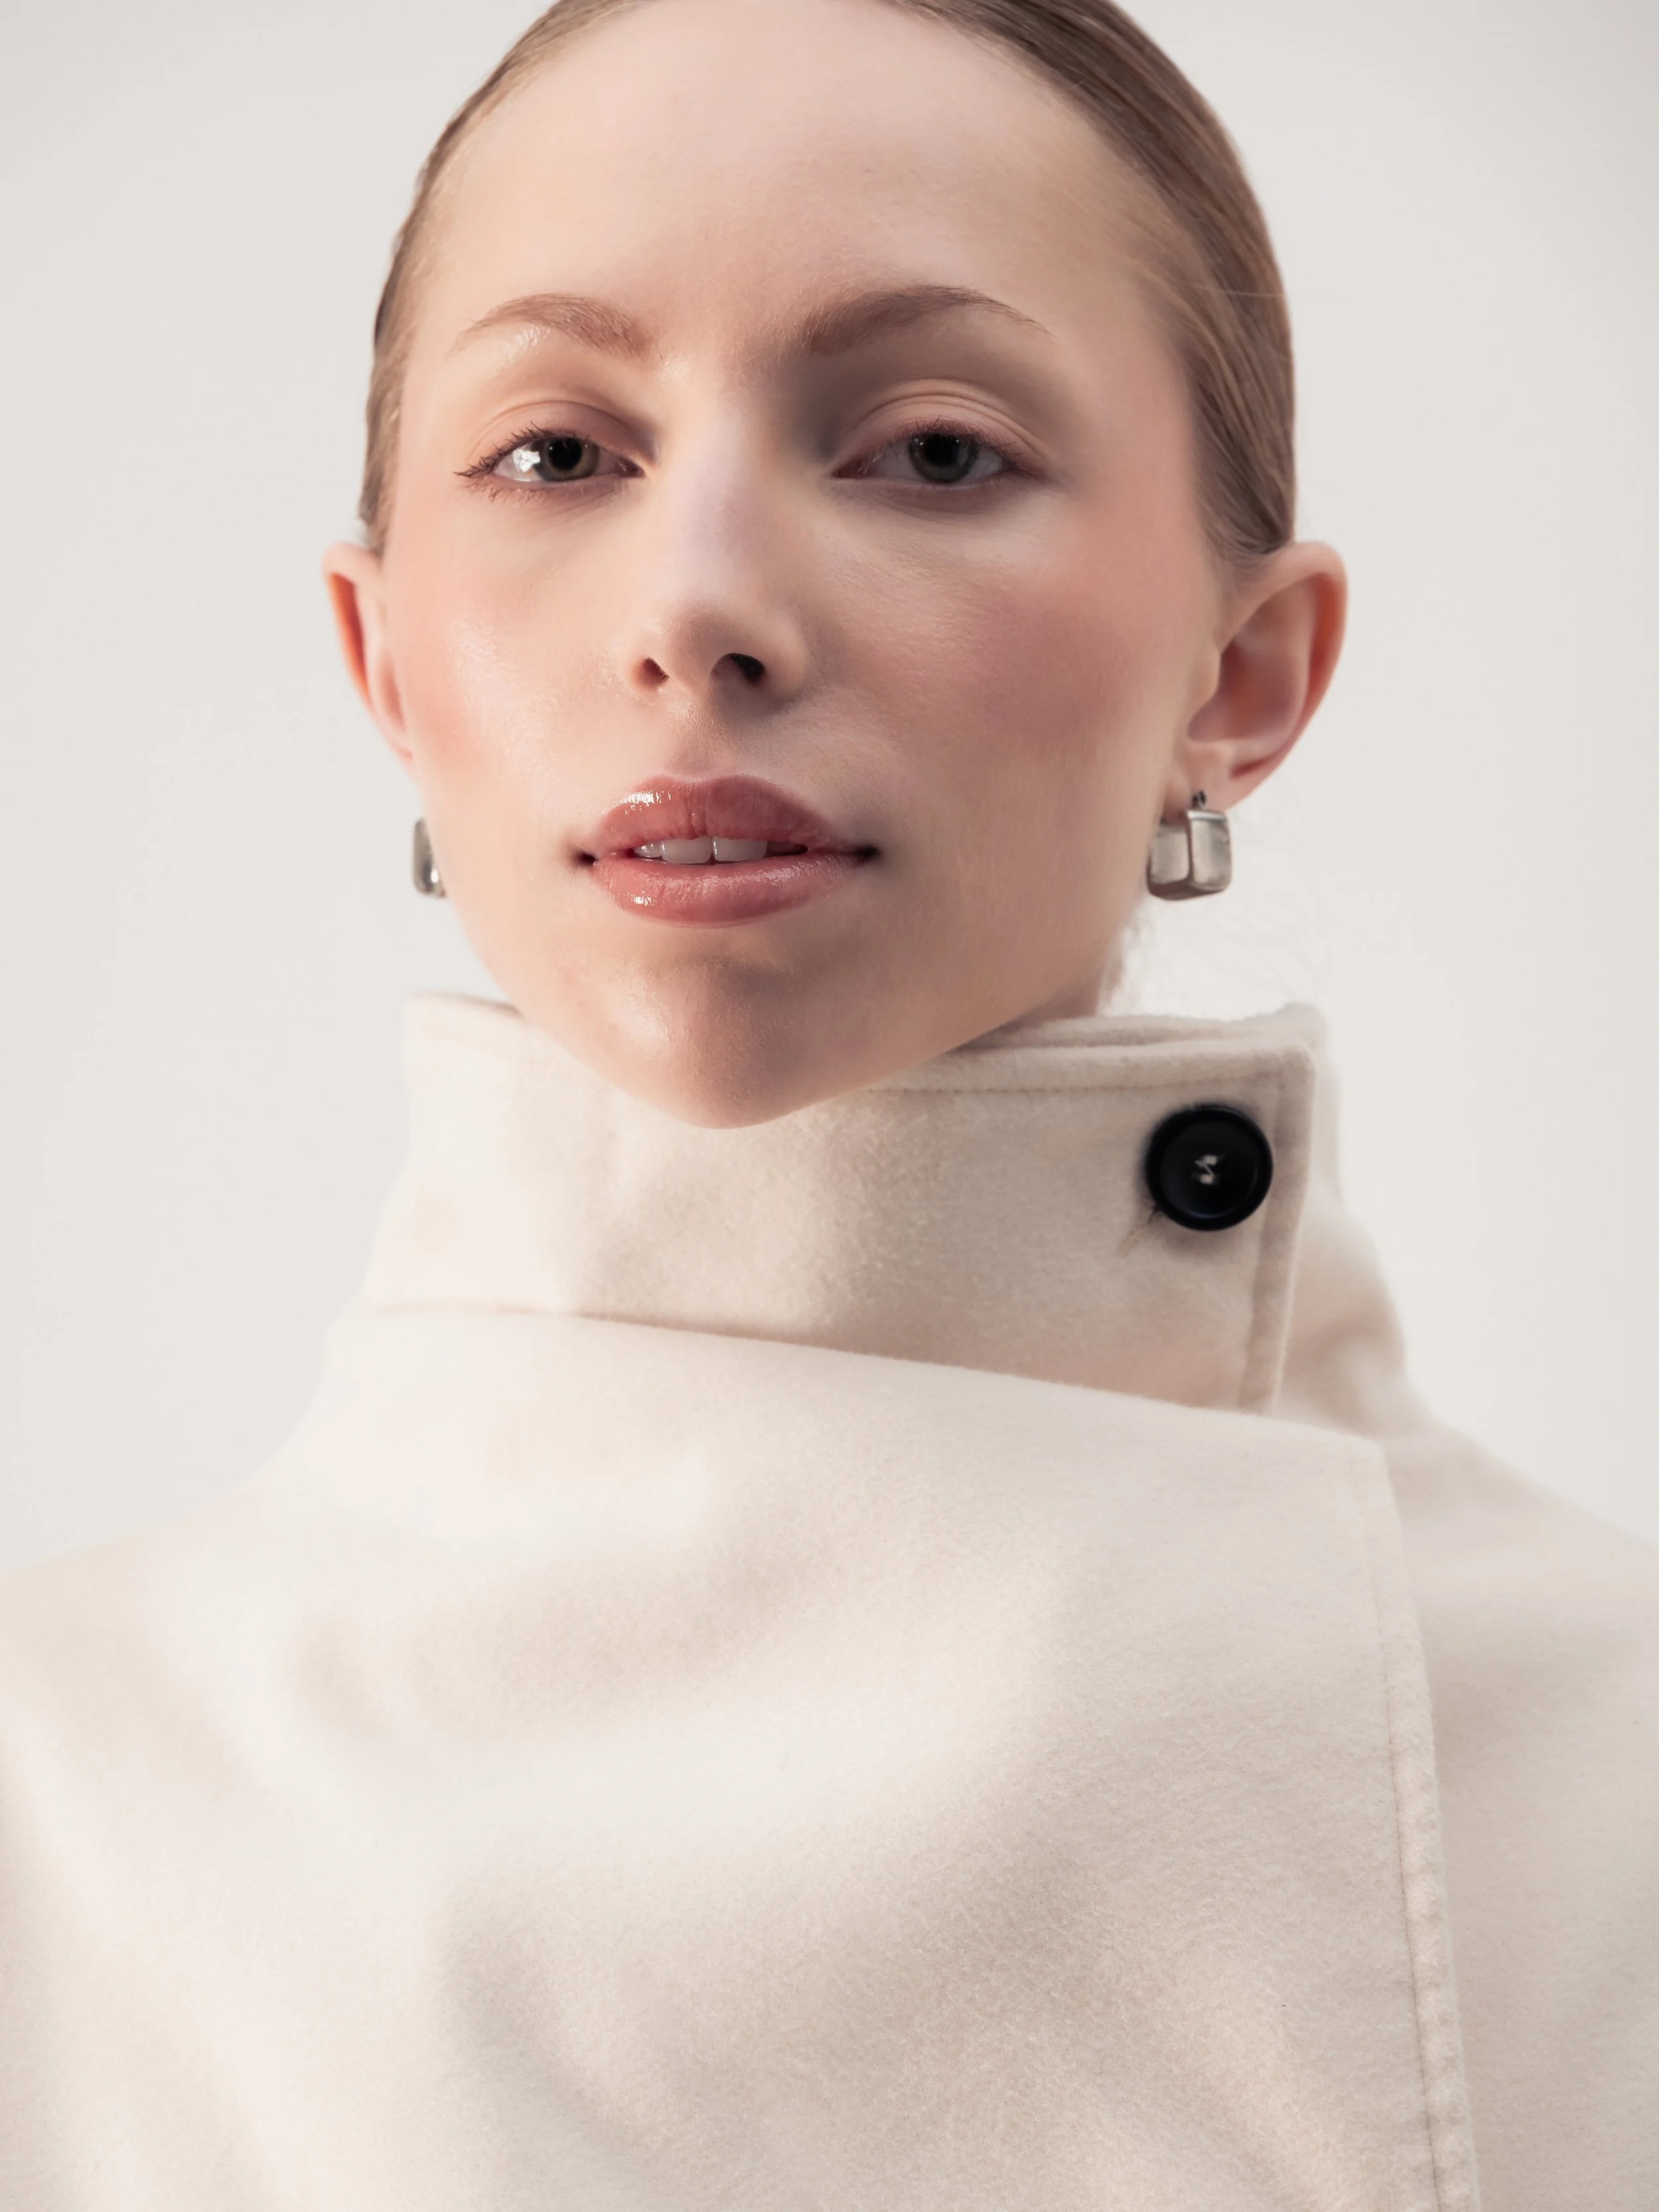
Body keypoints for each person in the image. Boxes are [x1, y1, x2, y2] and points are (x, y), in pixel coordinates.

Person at [1, 0, 1653, 2203]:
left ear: (1240, 677)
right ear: (384, 660)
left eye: (934, 449)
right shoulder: (58, 1802)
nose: (697, 612)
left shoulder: (1604, 1775)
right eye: (559, 455)